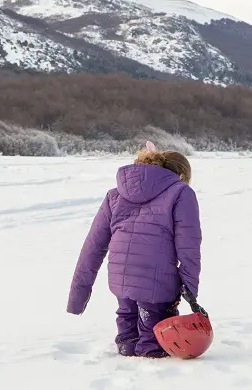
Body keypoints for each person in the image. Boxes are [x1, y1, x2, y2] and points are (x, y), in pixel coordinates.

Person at [66, 141, 202, 358]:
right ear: (181, 174)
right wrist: (190, 290)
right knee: (154, 339)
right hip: (157, 284)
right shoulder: (181, 193)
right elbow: (189, 246)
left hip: (121, 280)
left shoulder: (115, 195)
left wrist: (78, 297)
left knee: (128, 328)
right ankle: (150, 370)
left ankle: (127, 353)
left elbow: (92, 247)